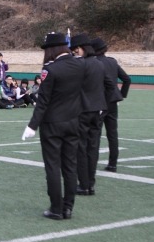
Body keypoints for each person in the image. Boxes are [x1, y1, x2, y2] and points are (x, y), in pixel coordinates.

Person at [22, 32, 86, 221]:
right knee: (70, 166)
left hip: (52, 124)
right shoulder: (80, 65)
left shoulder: (51, 69)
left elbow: (43, 101)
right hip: (73, 120)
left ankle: (56, 208)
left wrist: (32, 126)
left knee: (53, 166)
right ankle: (68, 207)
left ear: (52, 49)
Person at [70, 34, 114, 196]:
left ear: (82, 49)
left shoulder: (79, 65)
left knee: (81, 148)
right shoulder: (99, 64)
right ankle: (91, 184)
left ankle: (83, 184)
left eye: (76, 50)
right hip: (98, 111)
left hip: (82, 111)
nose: (75, 52)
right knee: (93, 147)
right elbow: (111, 87)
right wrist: (104, 106)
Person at [91, 37, 131, 172]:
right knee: (112, 134)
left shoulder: (94, 63)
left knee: (95, 134)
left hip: (98, 102)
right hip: (113, 101)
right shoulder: (112, 62)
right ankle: (112, 164)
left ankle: (92, 164)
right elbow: (127, 79)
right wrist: (121, 95)